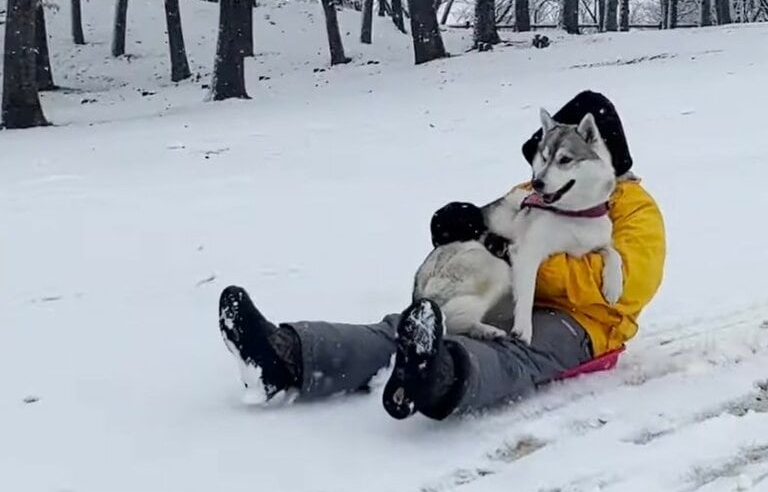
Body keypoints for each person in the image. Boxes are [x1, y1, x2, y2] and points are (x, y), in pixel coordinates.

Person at [218, 91, 666, 421]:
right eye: (542, 161)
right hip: (509, 291)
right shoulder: (538, 193)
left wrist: (527, 262)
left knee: (513, 352)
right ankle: (288, 356)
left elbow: (623, 289)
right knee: (414, 323)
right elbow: (501, 226)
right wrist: (467, 227)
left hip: (580, 324)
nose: (541, 175)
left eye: (559, 161)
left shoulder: (636, 210)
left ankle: (440, 375)